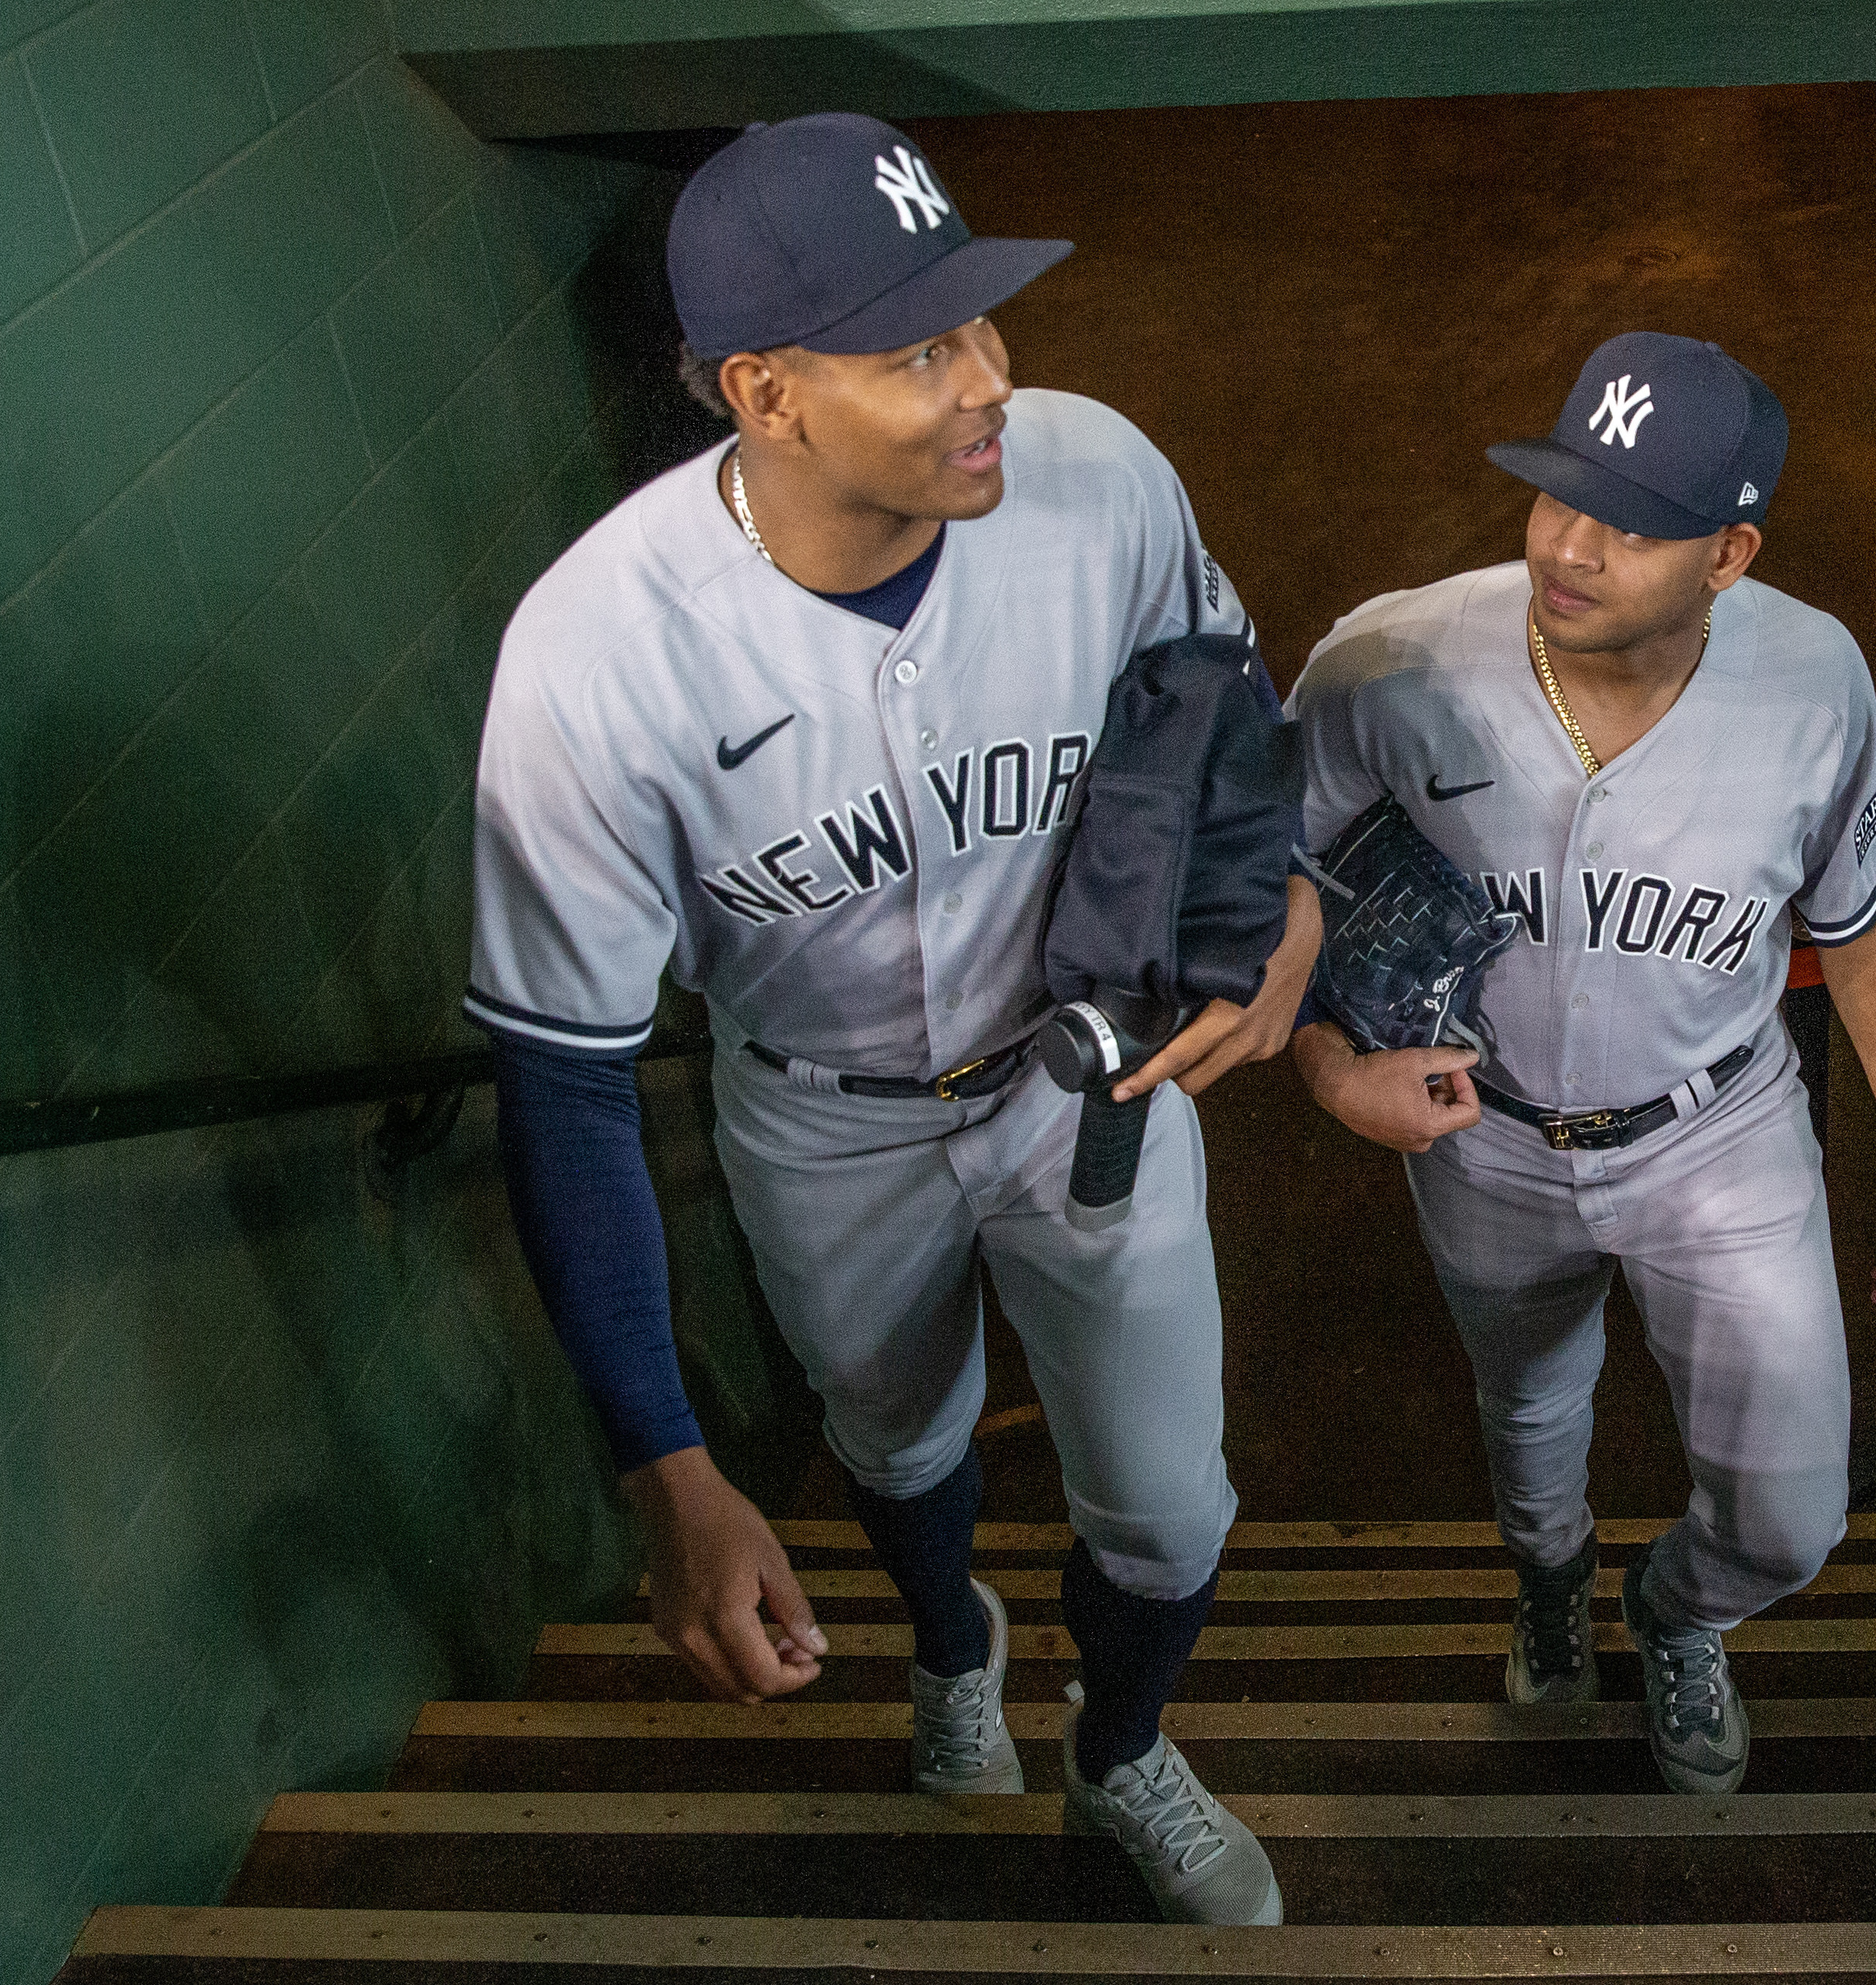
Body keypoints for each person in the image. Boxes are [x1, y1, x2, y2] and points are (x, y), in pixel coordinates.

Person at [464, 113, 1315, 1925]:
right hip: (823, 1117)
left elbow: (1222, 701)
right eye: (923, 348)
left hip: (1080, 1079)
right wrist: (666, 1461)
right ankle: (952, 1644)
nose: (992, 377)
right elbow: (564, 1082)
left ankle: (1122, 1749)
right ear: (765, 395)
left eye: (983, 323)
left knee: (1171, 1508)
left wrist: (1292, 903)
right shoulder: (593, 660)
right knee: (896, 1441)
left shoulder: (1100, 476)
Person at [1287, 332, 1876, 1795]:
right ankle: (1549, 1580)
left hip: (1719, 1135)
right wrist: (1335, 1068)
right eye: (1556, 496)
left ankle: (1679, 1610)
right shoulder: (1393, 662)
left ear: (1730, 553)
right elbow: (1260, 885)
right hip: (1486, 1135)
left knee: (1791, 1514)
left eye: (1631, 522)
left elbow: (1866, 923)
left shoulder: (1816, 679)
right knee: (1527, 1406)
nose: (1569, 548)